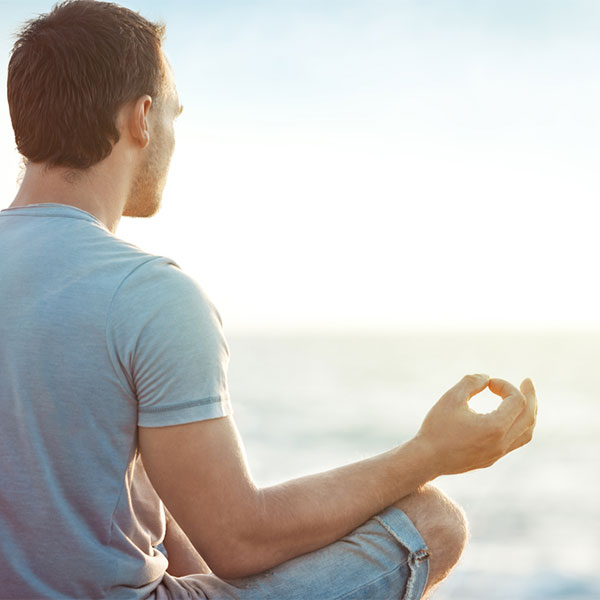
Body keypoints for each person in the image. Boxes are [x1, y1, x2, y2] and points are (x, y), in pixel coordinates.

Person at [0, 2, 537, 599]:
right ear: (143, 118)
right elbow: (238, 540)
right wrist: (428, 452)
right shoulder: (147, 294)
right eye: (176, 114)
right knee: (434, 521)